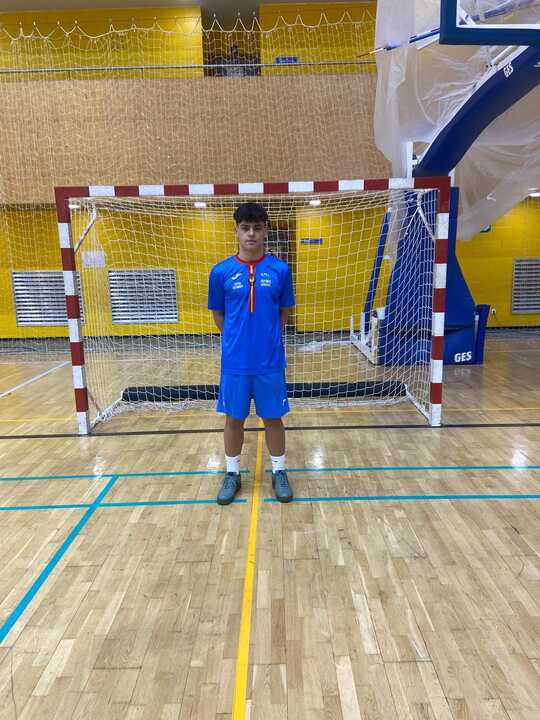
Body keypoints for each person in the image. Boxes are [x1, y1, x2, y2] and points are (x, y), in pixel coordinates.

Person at [208, 202, 295, 505]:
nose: (251, 234)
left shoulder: (280, 270)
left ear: (266, 231)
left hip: (270, 362)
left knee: (273, 418)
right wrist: (237, 340)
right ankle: (232, 474)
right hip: (235, 363)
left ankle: (279, 471)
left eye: (257, 228)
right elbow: (218, 315)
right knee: (233, 419)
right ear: (236, 231)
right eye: (245, 228)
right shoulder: (220, 272)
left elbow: (284, 312)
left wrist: (267, 339)